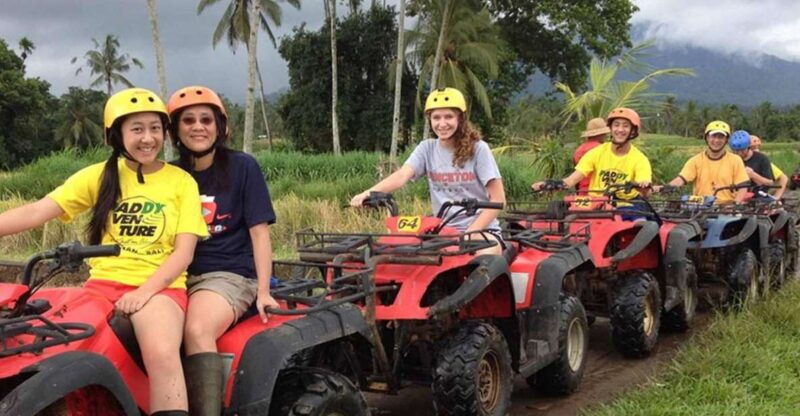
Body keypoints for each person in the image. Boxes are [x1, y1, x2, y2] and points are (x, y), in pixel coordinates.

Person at [0, 88, 208, 415]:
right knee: (46, 341)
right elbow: (36, 211)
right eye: (137, 129)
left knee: (161, 352)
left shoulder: (181, 182)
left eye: (155, 128)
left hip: (160, 289)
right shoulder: (98, 176)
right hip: (100, 287)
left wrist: (144, 292)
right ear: (117, 135)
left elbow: (183, 253)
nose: (148, 138)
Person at [167, 86, 279, 415]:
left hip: (228, 273)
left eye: (206, 119)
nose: (198, 127)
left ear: (220, 127)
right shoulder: (170, 175)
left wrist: (262, 291)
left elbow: (259, 233)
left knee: (197, 330)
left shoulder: (243, 167)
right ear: (175, 131)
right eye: (188, 120)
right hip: (177, 273)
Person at [349, 87, 505, 255]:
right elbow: (402, 176)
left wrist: (469, 234)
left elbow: (498, 200)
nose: (442, 123)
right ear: (429, 119)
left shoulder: (479, 149)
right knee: (397, 255)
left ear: (461, 118)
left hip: (481, 232)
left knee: (482, 257)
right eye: (436, 117)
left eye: (449, 117)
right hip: (441, 232)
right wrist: (368, 193)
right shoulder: (427, 148)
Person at [532, 108, 652, 208]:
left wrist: (644, 185)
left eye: (625, 126)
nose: (620, 130)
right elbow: (572, 180)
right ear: (610, 129)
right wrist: (550, 184)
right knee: (561, 210)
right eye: (616, 125)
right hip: (594, 203)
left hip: (624, 207)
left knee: (642, 224)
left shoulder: (640, 159)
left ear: (632, 131)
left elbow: (645, 185)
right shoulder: (596, 153)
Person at [661, 120, 749, 204]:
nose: (716, 140)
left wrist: (735, 205)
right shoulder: (695, 160)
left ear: (726, 140)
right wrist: (664, 188)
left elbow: (743, 187)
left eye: (721, 137)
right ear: (706, 138)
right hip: (700, 207)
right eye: (713, 136)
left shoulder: (735, 160)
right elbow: (681, 179)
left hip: (725, 208)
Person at [573, 117, 610, 194]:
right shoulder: (604, 150)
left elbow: (576, 176)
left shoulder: (578, 151)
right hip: (600, 193)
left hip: (582, 193)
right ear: (602, 134)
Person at [750, 135, 788, 200]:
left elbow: (783, 178)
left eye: (757, 148)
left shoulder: (764, 162)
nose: (756, 151)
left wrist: (776, 197)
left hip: (759, 196)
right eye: (753, 148)